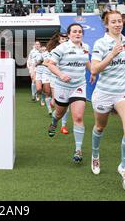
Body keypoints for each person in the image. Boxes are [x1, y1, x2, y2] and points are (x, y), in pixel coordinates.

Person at [90, 10, 125, 190]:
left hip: (123, 92)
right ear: (106, 24)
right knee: (100, 127)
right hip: (104, 93)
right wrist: (111, 54)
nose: (118, 24)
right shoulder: (101, 43)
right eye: (114, 22)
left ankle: (124, 167)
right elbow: (94, 69)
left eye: (120, 21)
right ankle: (95, 155)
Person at [47, 23, 92, 162]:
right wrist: (61, 75)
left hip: (79, 85)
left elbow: (86, 61)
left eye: (80, 31)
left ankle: (78, 150)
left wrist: (92, 72)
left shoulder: (86, 47)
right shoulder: (62, 48)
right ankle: (54, 122)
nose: (77, 34)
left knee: (78, 117)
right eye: (74, 31)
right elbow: (49, 64)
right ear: (69, 34)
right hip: (62, 86)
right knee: (59, 113)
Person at [46, 32, 70, 134]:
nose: (64, 40)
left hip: (68, 80)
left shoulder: (71, 50)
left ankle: (63, 126)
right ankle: (54, 122)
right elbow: (46, 62)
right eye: (62, 39)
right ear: (59, 41)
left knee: (66, 106)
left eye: (66, 39)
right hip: (55, 80)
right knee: (58, 105)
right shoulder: (54, 51)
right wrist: (57, 71)